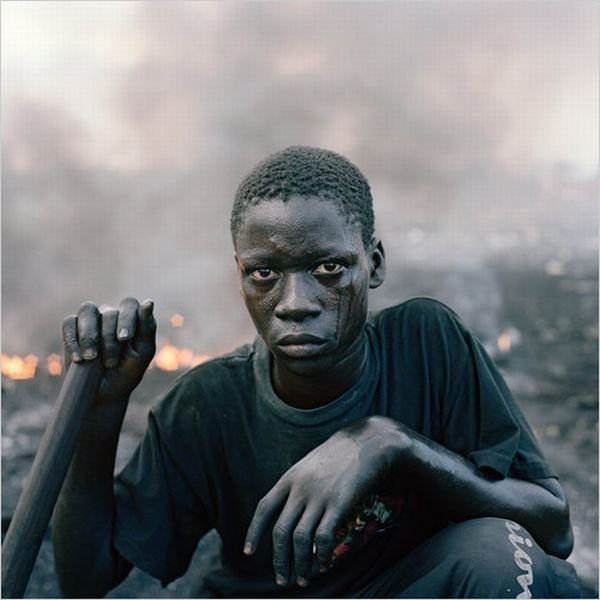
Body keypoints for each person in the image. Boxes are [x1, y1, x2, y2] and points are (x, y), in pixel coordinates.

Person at [53, 146, 580, 598]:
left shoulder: (427, 343)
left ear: (373, 264)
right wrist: (100, 415)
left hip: (407, 588)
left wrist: (392, 444)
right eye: (265, 273)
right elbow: (86, 580)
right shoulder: (206, 404)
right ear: (240, 277)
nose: (295, 303)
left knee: (501, 556)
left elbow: (551, 529)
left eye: (328, 268)